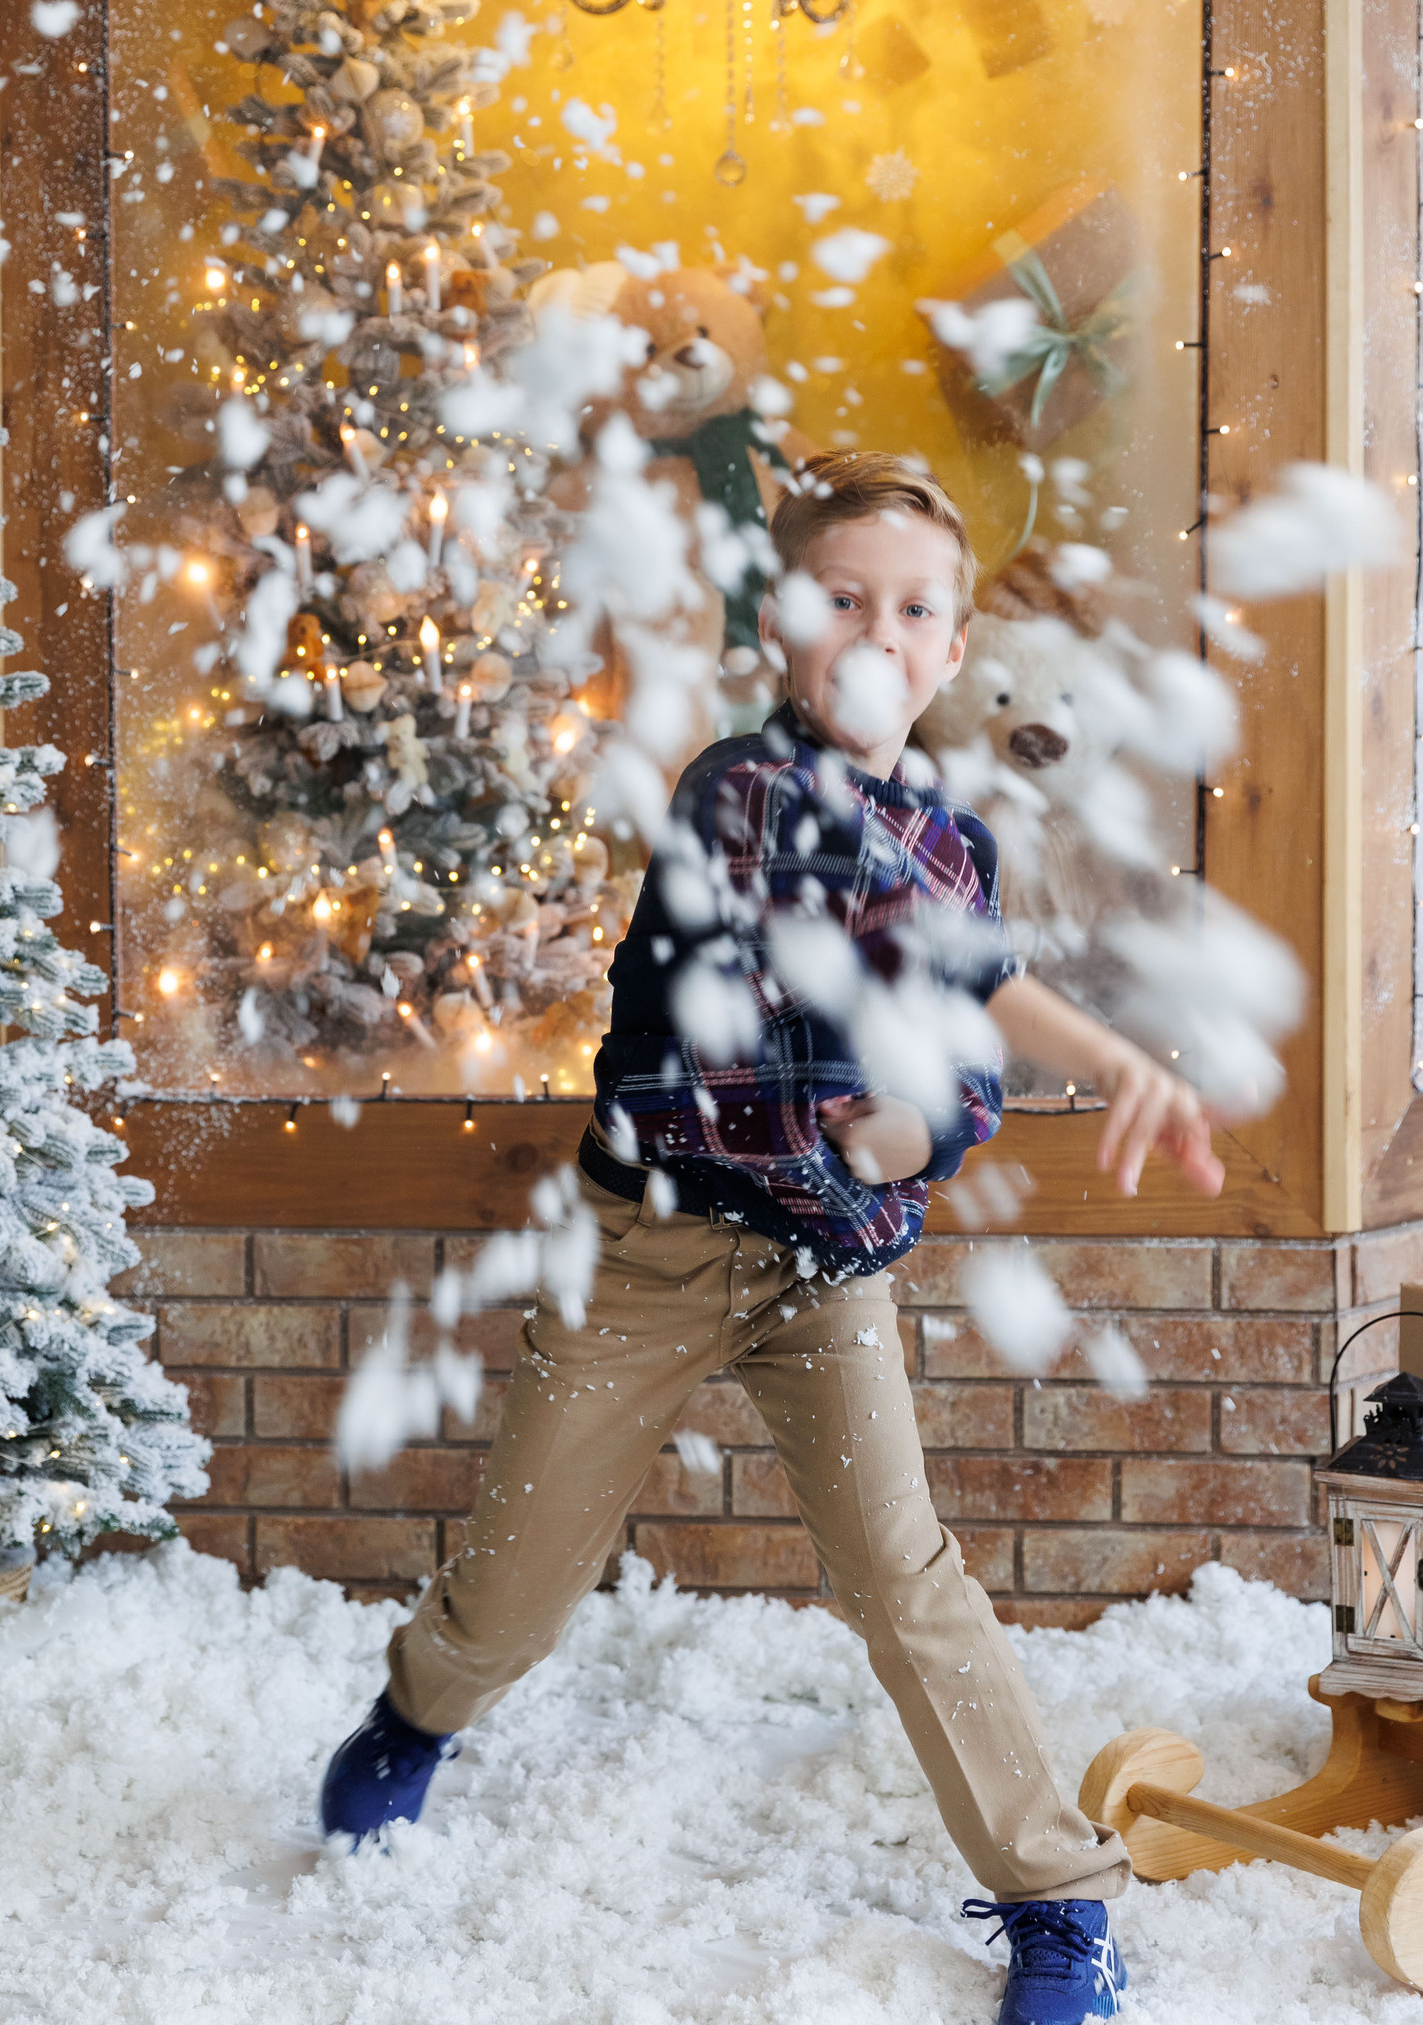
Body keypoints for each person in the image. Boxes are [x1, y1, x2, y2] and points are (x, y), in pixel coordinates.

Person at [320, 451, 1229, 2025]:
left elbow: (958, 1050)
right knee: (525, 1581)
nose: (880, 633)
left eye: (916, 610)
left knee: (905, 1574)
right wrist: (1068, 1047)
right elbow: (861, 917)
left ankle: (1058, 1900)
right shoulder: (736, 787)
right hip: (652, 1254)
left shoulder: (960, 842)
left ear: (951, 656)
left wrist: (924, 1123)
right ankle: (419, 1710)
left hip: (830, 1274)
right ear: (783, 626)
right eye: (844, 599)